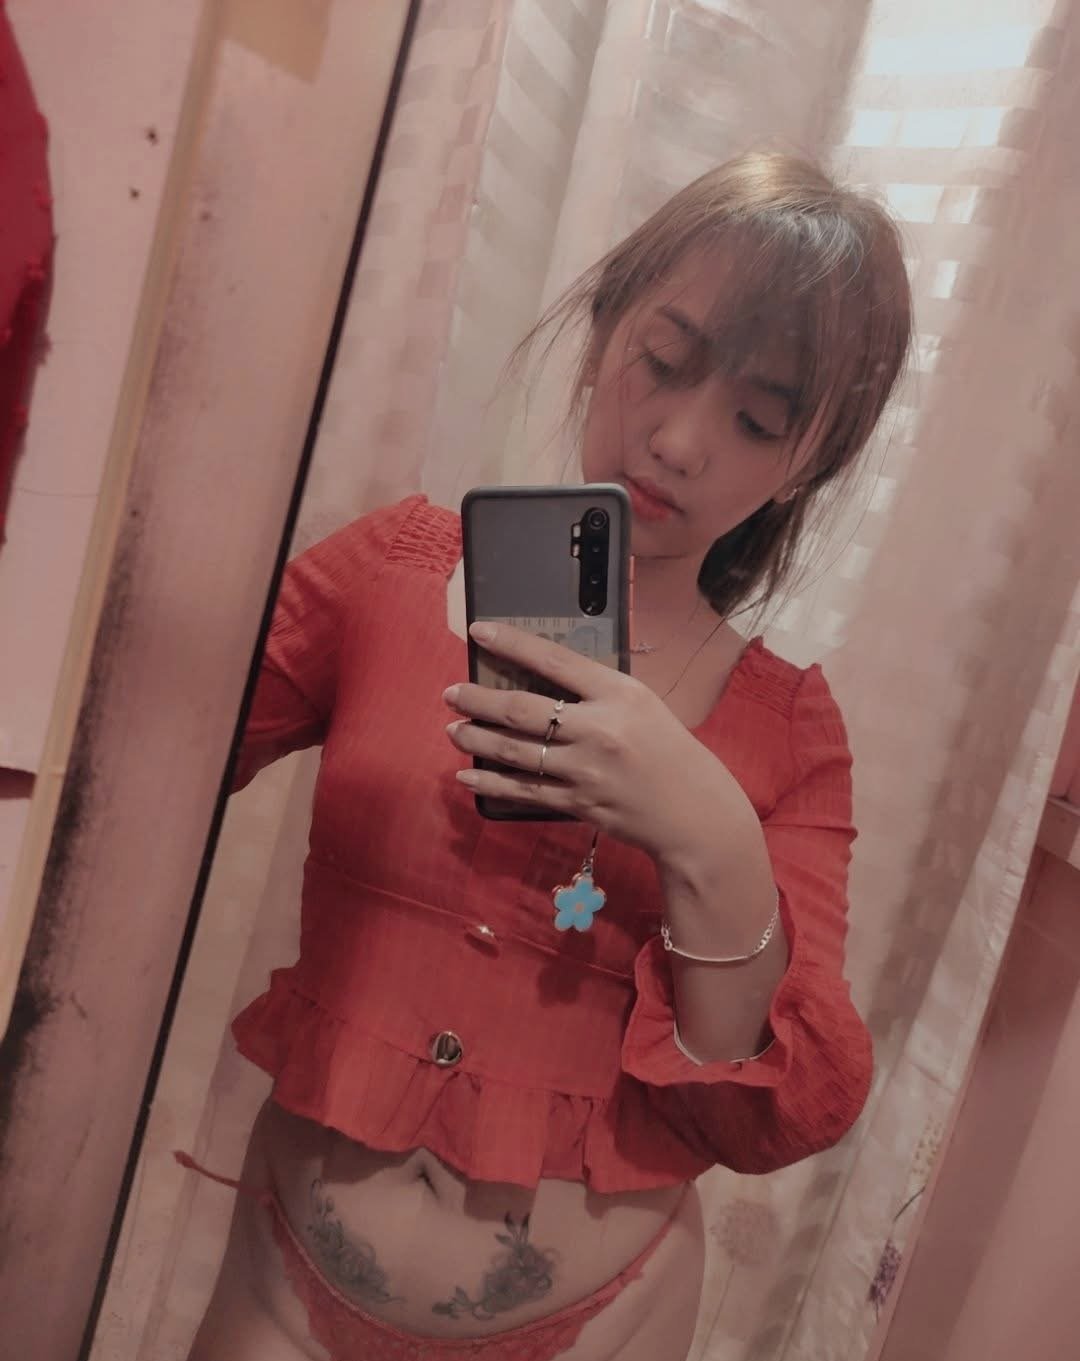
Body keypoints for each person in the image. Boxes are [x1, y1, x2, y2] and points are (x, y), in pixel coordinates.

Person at [184, 151, 911, 1361]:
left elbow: (760, 1110)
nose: (678, 439)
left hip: (605, 1323)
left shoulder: (788, 731)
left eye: (757, 420)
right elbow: (158, 765)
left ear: (808, 464)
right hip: (283, 1286)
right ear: (602, 327)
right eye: (662, 361)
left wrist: (707, 830)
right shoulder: (390, 574)